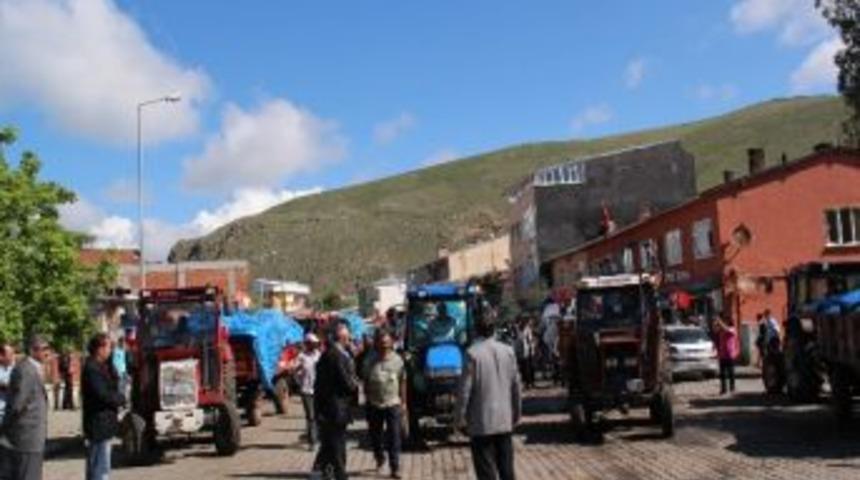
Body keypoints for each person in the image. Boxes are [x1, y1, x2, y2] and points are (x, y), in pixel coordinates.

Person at [456, 311, 522, 480]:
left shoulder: (472, 354)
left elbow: (465, 391)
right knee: (507, 468)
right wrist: (516, 413)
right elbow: (516, 386)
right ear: (494, 329)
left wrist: (460, 419)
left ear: (477, 330)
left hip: (481, 423)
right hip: (504, 419)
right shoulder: (508, 351)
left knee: (486, 471)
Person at [313, 322, 359, 480]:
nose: (350, 339)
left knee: (331, 443)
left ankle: (325, 472)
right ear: (343, 337)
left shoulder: (329, 354)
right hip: (336, 409)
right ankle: (340, 475)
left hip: (329, 408)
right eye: (348, 336)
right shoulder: (337, 355)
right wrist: (355, 384)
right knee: (337, 445)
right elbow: (347, 384)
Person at [0, 335, 49, 480]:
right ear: (33, 350)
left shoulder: (32, 368)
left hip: (31, 437)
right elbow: (17, 405)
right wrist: (7, 431)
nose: (48, 353)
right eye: (44, 349)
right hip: (25, 437)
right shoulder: (26, 370)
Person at [82, 333, 126, 480]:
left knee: (101, 465)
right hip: (98, 424)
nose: (110, 350)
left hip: (105, 424)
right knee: (100, 469)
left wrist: (111, 363)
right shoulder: (92, 368)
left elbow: (115, 382)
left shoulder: (103, 366)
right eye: (108, 347)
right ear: (99, 348)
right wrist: (120, 399)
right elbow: (103, 394)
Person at [362, 329, 405, 479]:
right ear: (376, 344)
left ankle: (395, 467)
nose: (384, 346)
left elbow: (403, 381)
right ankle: (380, 458)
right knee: (375, 436)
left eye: (387, 343)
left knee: (394, 436)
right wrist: (366, 399)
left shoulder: (398, 360)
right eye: (381, 344)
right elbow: (365, 381)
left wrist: (403, 402)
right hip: (374, 404)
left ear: (391, 343)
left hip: (393, 403)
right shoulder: (369, 360)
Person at [296, 333, 322, 451]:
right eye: (311, 343)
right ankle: (313, 441)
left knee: (318, 416)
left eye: (315, 343)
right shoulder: (301, 357)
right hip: (306, 390)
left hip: (319, 390)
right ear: (307, 344)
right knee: (311, 416)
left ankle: (316, 436)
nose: (313, 346)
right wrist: (299, 377)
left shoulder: (319, 355)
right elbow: (294, 370)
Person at [715, 316, 739, 395]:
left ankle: (732, 388)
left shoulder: (733, 329)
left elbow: (726, 329)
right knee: (722, 374)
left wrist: (719, 321)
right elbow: (716, 330)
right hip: (722, 354)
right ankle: (723, 389)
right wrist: (716, 323)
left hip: (730, 354)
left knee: (731, 372)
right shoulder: (723, 330)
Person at [514, 318, 535, 390]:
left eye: (522, 323)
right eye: (520, 323)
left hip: (526, 351)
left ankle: (528, 383)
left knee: (527, 368)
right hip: (518, 351)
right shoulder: (516, 329)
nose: (520, 324)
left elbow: (530, 340)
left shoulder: (527, 330)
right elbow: (515, 339)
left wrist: (531, 350)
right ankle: (524, 382)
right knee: (521, 368)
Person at [0, 341, 14, 425]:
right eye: (10, 355)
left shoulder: (13, 369)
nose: (13, 357)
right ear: (1, 356)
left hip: (10, 414)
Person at [111, 337, 129, 402]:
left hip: (124, 372)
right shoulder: (116, 351)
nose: (124, 344)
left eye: (124, 343)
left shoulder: (124, 351)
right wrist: (116, 371)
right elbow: (114, 362)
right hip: (119, 372)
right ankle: (120, 401)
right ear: (119, 343)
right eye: (122, 343)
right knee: (120, 388)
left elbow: (125, 361)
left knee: (125, 388)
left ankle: (123, 401)